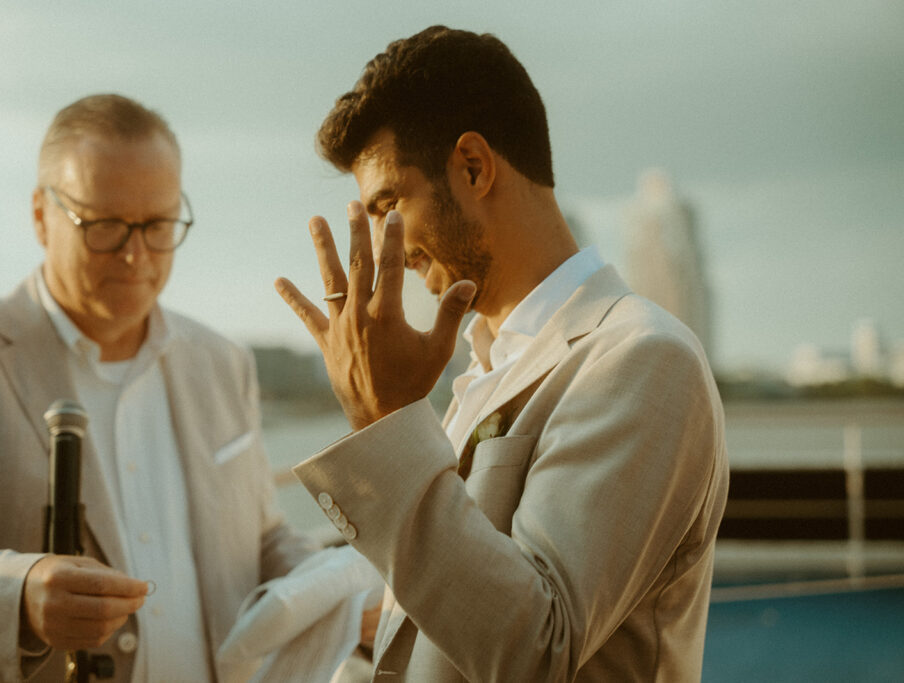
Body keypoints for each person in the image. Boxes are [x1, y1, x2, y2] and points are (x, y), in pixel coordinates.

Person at [275, 26, 729, 681]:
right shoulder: (482, 371)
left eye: (387, 204)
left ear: (473, 167)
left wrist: (385, 424)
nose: (383, 245)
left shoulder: (640, 358)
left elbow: (536, 651)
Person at [0, 94, 316, 681]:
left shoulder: (224, 362)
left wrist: (345, 594)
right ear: (40, 214)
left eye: (159, 225)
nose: (136, 255)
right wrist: (17, 597)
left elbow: (263, 537)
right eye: (105, 226)